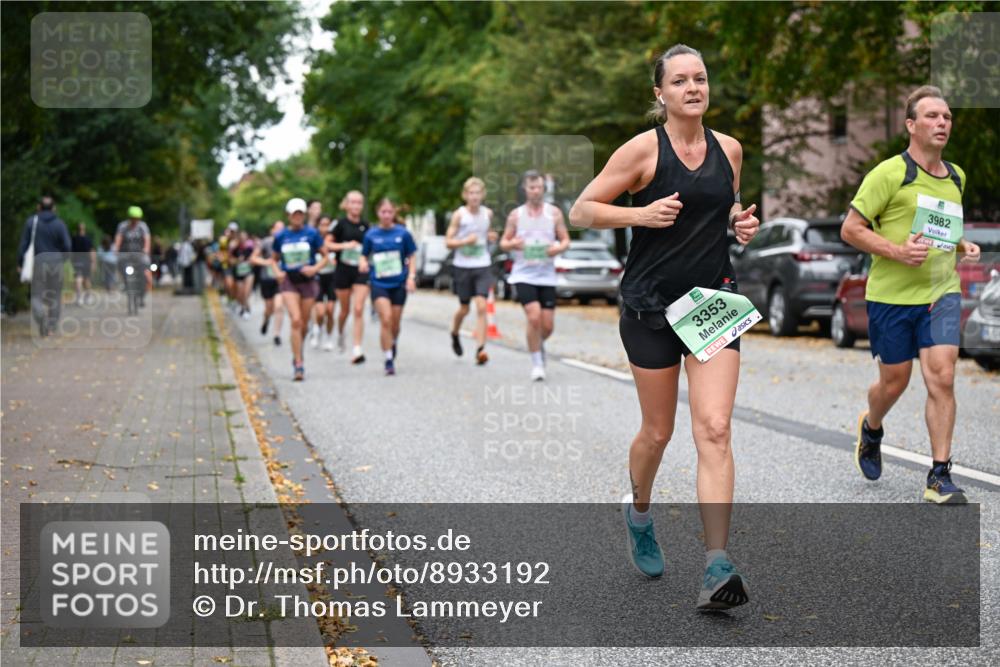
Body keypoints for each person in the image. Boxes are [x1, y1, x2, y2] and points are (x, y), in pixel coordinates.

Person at [569, 44, 760, 610]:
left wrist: (738, 221)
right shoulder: (641, 151)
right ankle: (640, 512)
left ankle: (716, 566)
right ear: (661, 93)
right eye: (680, 81)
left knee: (716, 428)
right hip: (650, 305)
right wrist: (639, 214)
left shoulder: (730, 148)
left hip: (711, 304)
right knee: (658, 432)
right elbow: (582, 210)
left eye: (700, 79)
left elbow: (721, 205)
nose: (693, 88)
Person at [840, 85, 981, 504]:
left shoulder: (956, 176)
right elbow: (851, 229)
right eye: (933, 116)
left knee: (942, 376)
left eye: (947, 117)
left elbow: (942, 229)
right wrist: (897, 252)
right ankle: (872, 426)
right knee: (894, 381)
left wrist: (962, 245)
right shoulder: (890, 174)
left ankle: (939, 475)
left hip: (941, 293)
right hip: (891, 297)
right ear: (911, 125)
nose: (942, 123)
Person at [499, 170, 570, 381]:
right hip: (524, 274)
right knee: (534, 316)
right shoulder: (516, 215)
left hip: (546, 274)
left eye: (539, 187)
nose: (535, 191)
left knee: (547, 325)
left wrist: (556, 249)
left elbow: (565, 240)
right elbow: (504, 242)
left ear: (543, 189)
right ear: (525, 189)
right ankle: (537, 362)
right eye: (531, 187)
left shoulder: (554, 213)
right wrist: (513, 244)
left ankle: (537, 345)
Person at [359, 197, 418, 376]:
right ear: (378, 213)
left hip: (399, 282)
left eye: (389, 212)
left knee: (395, 322)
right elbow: (364, 254)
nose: (386, 215)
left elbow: (412, 255)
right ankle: (388, 358)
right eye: (383, 212)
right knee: (385, 318)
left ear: (394, 214)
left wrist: (411, 277)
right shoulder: (371, 235)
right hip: (379, 283)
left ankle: (393, 343)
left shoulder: (403, 234)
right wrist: (362, 263)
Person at [271, 198, 328, 381]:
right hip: (289, 281)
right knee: (295, 320)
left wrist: (315, 269)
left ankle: (299, 350)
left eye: (300, 214)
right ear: (288, 215)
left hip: (308, 281)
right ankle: (298, 363)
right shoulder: (281, 236)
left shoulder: (312, 234)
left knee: (303, 323)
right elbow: (273, 259)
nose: (297, 217)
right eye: (294, 214)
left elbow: (325, 257)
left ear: (303, 215)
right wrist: (277, 271)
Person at [445, 177, 497, 365]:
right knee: (464, 308)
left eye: (478, 193)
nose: (474, 197)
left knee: (482, 306)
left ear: (482, 195)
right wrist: (464, 242)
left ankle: (480, 349)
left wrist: (491, 237)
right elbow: (448, 242)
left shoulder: (487, 214)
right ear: (465, 195)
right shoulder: (459, 215)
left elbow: (488, 234)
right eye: (471, 193)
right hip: (462, 266)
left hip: (482, 264)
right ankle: (454, 332)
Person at [17, 195, 72, 336]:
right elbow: (67, 246)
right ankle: (52, 326)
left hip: (38, 263)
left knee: (36, 295)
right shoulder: (60, 224)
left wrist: (20, 263)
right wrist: (62, 259)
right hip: (56, 263)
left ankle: (42, 320)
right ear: (54, 208)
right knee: (55, 295)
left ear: (39, 207)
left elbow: (23, 245)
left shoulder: (31, 222)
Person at [330, 190, 371, 363]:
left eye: (359, 202)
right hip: (343, 270)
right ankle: (340, 331)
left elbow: (371, 247)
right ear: (346, 204)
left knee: (359, 309)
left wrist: (366, 258)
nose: (356, 206)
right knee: (345, 310)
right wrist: (345, 245)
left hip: (360, 271)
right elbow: (327, 244)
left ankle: (357, 349)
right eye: (352, 202)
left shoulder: (366, 226)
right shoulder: (340, 224)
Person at [252, 221, 286, 346]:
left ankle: (277, 334)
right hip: (267, 279)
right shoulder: (266, 242)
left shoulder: (287, 241)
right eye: (277, 229)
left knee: (279, 307)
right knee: (269, 308)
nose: (280, 231)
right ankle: (266, 320)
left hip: (280, 280)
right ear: (272, 230)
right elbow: (253, 258)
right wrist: (267, 262)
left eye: (282, 229)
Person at [309, 215, 338, 351]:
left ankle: (329, 337)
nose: (325, 228)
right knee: (320, 312)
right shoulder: (313, 241)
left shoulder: (334, 241)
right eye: (322, 224)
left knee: (330, 311)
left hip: (332, 278)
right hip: (318, 279)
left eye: (327, 224)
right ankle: (317, 330)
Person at [114, 206, 152, 307]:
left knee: (147, 276)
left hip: (140, 255)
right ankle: (125, 283)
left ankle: (142, 296)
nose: (135, 221)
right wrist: (116, 248)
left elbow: (147, 239)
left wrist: (146, 249)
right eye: (133, 218)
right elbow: (119, 238)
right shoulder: (122, 226)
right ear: (129, 218)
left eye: (137, 218)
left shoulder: (143, 227)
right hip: (126, 255)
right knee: (120, 264)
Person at [229, 230, 256, 320]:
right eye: (241, 237)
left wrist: (251, 261)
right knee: (240, 293)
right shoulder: (235, 249)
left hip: (248, 273)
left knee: (246, 292)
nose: (243, 239)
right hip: (238, 273)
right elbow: (230, 260)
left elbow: (255, 258)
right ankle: (244, 307)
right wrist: (237, 261)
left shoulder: (250, 248)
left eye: (245, 237)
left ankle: (245, 309)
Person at [70, 223, 96, 305]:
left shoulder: (73, 238)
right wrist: (93, 262)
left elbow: (70, 251)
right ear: (84, 229)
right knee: (87, 279)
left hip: (76, 261)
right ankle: (88, 297)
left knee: (78, 278)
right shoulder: (87, 239)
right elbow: (91, 251)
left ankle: (79, 297)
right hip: (86, 261)